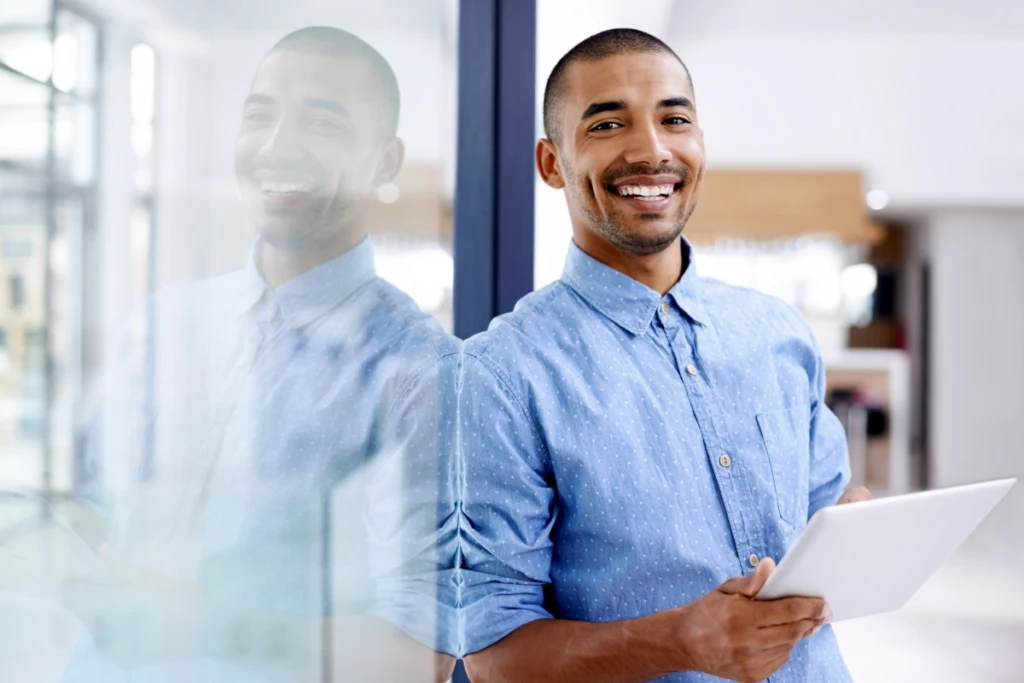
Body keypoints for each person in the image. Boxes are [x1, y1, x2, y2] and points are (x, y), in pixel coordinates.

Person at [457, 28, 871, 683]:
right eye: (608, 124)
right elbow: (493, 656)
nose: (652, 150)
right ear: (551, 163)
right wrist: (680, 642)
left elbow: (825, 514)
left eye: (675, 119)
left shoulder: (778, 334)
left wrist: (855, 530)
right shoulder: (503, 376)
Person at [67, 26, 458, 683]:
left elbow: (417, 655)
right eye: (260, 114)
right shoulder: (164, 324)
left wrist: (201, 623)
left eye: (323, 121)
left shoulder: (422, 369)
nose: (278, 146)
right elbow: (91, 519)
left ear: (385, 162)